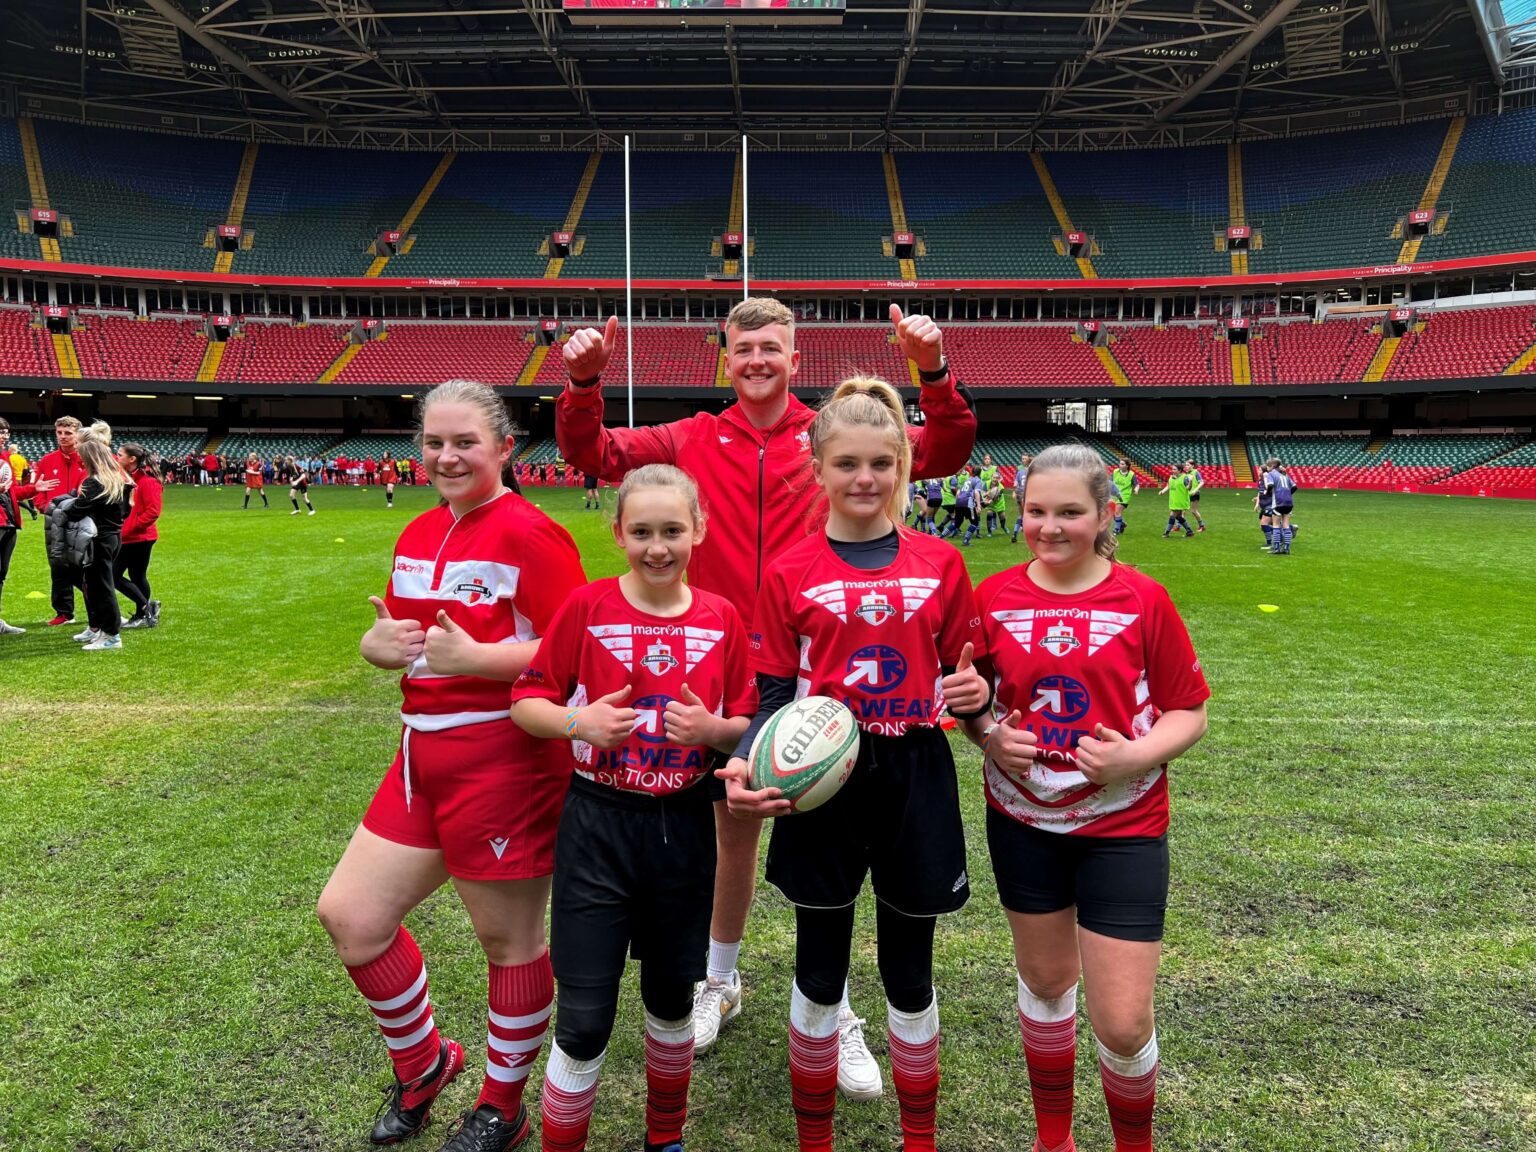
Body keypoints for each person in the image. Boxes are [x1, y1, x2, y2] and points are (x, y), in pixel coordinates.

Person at [555, 297, 976, 1087]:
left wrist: (934, 371)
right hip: (713, 657)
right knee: (731, 828)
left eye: (771, 346)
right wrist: (582, 383)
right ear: (725, 356)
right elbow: (596, 452)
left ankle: (836, 1005)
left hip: (816, 673)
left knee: (828, 824)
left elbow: (944, 447)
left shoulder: (828, 435)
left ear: (793, 353)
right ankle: (721, 977)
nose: (757, 358)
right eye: (743, 346)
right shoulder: (689, 436)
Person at [315, 379, 588, 1152]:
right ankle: (426, 1063)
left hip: (507, 761)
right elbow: (405, 640)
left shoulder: (533, 534)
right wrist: (378, 650)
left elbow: (574, 652)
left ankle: (503, 1103)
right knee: (353, 920)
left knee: (509, 944)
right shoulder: (417, 532)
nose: (446, 456)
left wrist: (482, 658)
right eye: (434, 442)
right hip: (419, 756)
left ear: (505, 446)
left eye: (465, 442)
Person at [718, 378, 989, 1152]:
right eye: (847, 464)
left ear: (903, 463)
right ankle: (815, 1139)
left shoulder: (940, 561)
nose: (864, 479)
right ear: (817, 466)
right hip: (819, 784)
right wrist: (745, 761)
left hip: (914, 774)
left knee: (910, 966)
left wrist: (975, 693)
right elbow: (773, 691)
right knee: (819, 964)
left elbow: (967, 675)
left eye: (880, 462)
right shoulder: (790, 570)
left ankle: (920, 1137)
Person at [962, 443, 1209, 1152]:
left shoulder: (1142, 598)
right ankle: (1054, 1140)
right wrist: (983, 733)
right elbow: (971, 697)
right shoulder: (994, 598)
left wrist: (1134, 755)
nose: (1050, 526)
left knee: (1123, 1022)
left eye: (1070, 512)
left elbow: (1189, 710)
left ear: (1105, 514)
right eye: (1037, 510)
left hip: (1122, 825)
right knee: (1044, 983)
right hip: (1022, 820)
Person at [510, 464, 754, 1152]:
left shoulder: (722, 619)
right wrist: (576, 725)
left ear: (698, 531)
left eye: (672, 530)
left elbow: (745, 719)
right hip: (596, 829)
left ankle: (664, 1139)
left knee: (671, 1002)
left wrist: (712, 733)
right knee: (584, 1021)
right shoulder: (587, 609)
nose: (657, 547)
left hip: (682, 834)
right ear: (618, 532)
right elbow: (527, 701)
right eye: (641, 531)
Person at [63, 422, 133, 652]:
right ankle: (105, 630)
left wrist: (73, 502)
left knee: (101, 587)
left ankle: (112, 635)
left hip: (99, 540)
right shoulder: (115, 480)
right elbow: (126, 510)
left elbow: (75, 511)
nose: (80, 461)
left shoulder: (95, 483)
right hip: (111, 537)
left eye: (83, 457)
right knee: (98, 586)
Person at [11, 416, 84, 626]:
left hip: (81, 520)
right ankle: (64, 612)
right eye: (59, 433)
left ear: (77, 434)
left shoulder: (85, 459)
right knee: (58, 566)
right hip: (54, 521)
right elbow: (38, 490)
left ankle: (98, 610)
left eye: (68, 433)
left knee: (85, 567)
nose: (62, 437)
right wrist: (45, 507)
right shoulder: (47, 460)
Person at [116, 443, 163, 630]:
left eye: (120, 455)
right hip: (131, 536)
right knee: (136, 576)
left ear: (132, 459)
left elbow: (152, 512)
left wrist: (129, 529)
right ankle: (144, 611)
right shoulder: (131, 478)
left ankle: (145, 609)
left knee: (114, 576)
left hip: (139, 538)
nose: (117, 457)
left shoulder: (147, 481)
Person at [0, 426, 24, 635]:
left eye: (6, 432)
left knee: (1, 574)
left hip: (8, 522)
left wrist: (36, 488)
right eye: (0, 432)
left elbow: (13, 491)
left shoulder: (6, 457)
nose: (4, 436)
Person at [1261, 457, 1296, 555]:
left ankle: (1276, 548)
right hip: (1289, 502)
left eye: (1267, 466)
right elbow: (1294, 486)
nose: (1267, 468)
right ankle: (1287, 549)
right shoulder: (1285, 476)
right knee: (1286, 525)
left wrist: (1268, 493)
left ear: (1272, 466)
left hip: (1278, 502)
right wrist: (1288, 494)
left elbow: (1271, 485)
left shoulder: (1271, 474)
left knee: (1276, 525)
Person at [1157, 467, 1194, 538]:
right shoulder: (1171, 477)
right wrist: (1163, 491)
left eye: (1174, 469)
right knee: (1178, 517)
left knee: (1172, 515)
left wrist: (1191, 481)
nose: (1172, 470)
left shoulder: (1185, 478)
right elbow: (1169, 486)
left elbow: (1188, 488)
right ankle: (1189, 531)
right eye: (1172, 469)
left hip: (1181, 500)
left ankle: (1166, 533)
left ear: (1179, 470)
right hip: (1173, 500)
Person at [1109, 458, 1137, 537]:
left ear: (1127, 466)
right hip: (1114, 494)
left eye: (1122, 464)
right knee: (1113, 512)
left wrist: (1136, 489)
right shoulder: (1115, 472)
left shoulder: (1131, 474)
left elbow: (1136, 484)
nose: (1120, 465)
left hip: (1125, 495)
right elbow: (1110, 482)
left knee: (1117, 511)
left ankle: (1116, 530)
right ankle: (1122, 524)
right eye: (1120, 463)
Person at [1009, 453, 1033, 544]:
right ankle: (1030, 537)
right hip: (1027, 494)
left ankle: (1015, 533)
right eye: (1022, 458)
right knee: (1030, 515)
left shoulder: (1019, 472)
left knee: (1022, 515)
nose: (1023, 460)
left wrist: (1014, 492)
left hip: (1019, 494)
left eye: (1024, 459)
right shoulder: (1032, 472)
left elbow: (1016, 484)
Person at [1183, 460, 1206, 532]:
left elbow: (1202, 482)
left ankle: (1202, 526)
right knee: (1181, 510)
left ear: (1192, 465)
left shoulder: (1196, 472)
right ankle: (1177, 526)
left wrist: (1195, 490)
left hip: (1195, 494)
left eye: (1188, 465)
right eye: (1186, 465)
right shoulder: (1186, 474)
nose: (1186, 466)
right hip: (1187, 494)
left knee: (1193, 511)